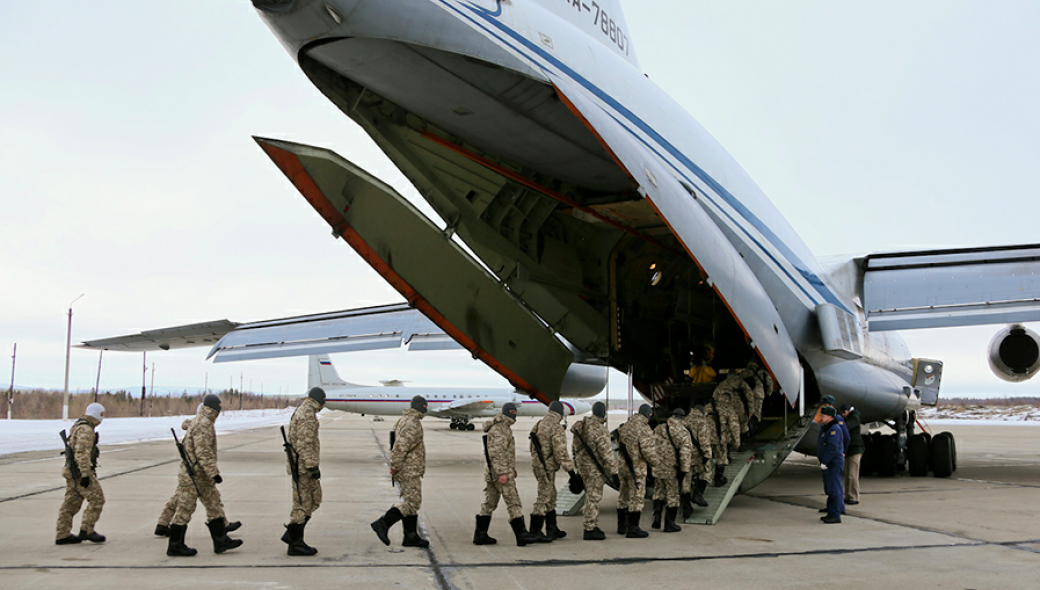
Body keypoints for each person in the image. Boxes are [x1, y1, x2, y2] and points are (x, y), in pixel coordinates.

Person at [166, 394, 243, 557]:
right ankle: (175, 545)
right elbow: (203, 451)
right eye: (219, 406)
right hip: (194, 475)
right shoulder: (203, 424)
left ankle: (221, 541)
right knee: (185, 509)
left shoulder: (201, 420)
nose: (220, 409)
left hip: (201, 475)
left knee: (214, 504)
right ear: (214, 407)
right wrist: (213, 473)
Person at [473, 403, 539, 547]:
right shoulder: (501, 429)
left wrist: (510, 468)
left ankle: (480, 534)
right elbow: (498, 453)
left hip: (493, 472)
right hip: (500, 473)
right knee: (513, 502)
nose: (514, 415)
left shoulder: (500, 427)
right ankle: (521, 535)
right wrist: (503, 472)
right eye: (513, 412)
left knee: (489, 502)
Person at [372, 395, 430, 548]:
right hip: (408, 469)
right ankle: (382, 523)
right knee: (412, 503)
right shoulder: (412, 423)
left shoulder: (406, 419)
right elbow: (400, 447)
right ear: (421, 407)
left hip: (409, 467)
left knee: (411, 500)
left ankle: (410, 537)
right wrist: (395, 466)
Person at [55, 402, 107, 545]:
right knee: (97, 500)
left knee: (71, 503)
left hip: (72, 471)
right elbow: (81, 453)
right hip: (79, 473)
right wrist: (85, 474)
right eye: (101, 414)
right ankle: (87, 530)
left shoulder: (79, 425)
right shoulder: (86, 429)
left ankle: (62, 534)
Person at [282, 387, 325, 555]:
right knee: (302, 504)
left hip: (301, 465)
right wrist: (312, 466)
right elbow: (304, 443)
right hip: (303, 467)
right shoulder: (307, 414)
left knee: (313, 501)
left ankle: (292, 536)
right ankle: (295, 542)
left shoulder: (304, 410)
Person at [528, 400, 577, 542]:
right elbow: (560, 452)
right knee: (544, 496)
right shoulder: (556, 427)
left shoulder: (539, 423)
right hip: (546, 467)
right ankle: (535, 531)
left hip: (538, 465)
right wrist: (571, 471)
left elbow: (533, 446)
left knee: (551, 494)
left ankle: (552, 528)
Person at [570, 401, 619, 540]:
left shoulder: (581, 426)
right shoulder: (600, 430)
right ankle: (590, 528)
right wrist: (614, 473)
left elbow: (574, 448)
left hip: (583, 467)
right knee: (593, 498)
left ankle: (590, 525)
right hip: (595, 470)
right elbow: (607, 455)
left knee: (589, 496)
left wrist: (577, 465)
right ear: (603, 413)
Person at [616, 404, 662, 538]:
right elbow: (647, 451)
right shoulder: (644, 428)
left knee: (623, 494)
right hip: (636, 468)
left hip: (623, 466)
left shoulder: (626, 426)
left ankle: (621, 526)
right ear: (648, 414)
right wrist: (656, 463)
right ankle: (633, 528)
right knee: (636, 496)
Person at [652, 408, 692, 533]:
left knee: (658, 491)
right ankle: (669, 524)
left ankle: (656, 516)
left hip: (658, 467)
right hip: (672, 469)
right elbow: (685, 453)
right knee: (673, 495)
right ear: (682, 418)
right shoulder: (683, 432)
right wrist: (684, 471)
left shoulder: (659, 428)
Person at [680, 404, 713, 516]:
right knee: (706, 472)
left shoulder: (684, 420)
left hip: (684, 454)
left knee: (686, 481)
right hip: (696, 455)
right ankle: (697, 495)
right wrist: (707, 455)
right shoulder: (701, 421)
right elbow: (703, 440)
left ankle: (686, 507)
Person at [817, 406, 846, 524]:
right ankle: (831, 511)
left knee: (834, 488)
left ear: (830, 417)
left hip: (832, 463)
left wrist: (825, 461)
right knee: (830, 488)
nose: (821, 418)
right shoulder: (827, 428)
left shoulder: (834, 429)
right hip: (829, 463)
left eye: (823, 416)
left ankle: (835, 514)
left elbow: (832, 447)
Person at [713, 371, 752, 452]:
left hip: (727, 408)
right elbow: (749, 394)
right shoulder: (741, 382)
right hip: (739, 407)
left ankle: (730, 445)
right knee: (743, 425)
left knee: (729, 426)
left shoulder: (722, 384)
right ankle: (742, 444)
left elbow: (715, 397)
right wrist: (751, 409)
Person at [740, 360, 773, 435]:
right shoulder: (762, 372)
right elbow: (769, 383)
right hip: (758, 395)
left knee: (747, 412)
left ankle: (747, 429)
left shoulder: (744, 373)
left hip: (747, 396)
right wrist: (768, 393)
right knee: (757, 413)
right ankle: (753, 427)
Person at [841, 404, 864, 506]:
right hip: (849, 449)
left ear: (847, 411)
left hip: (855, 450)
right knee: (847, 474)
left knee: (852, 475)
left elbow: (847, 426)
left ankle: (854, 497)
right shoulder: (850, 417)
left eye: (843, 413)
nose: (843, 415)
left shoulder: (855, 417)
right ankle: (847, 495)